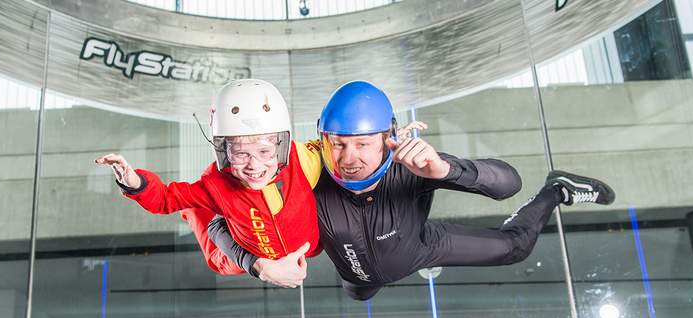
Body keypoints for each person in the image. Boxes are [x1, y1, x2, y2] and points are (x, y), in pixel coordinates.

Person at [217, 80, 615, 300]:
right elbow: (221, 222)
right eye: (337, 143)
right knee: (360, 291)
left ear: (389, 136)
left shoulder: (412, 165)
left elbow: (508, 183)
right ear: (322, 138)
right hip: (357, 273)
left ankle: (556, 192)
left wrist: (443, 168)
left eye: (364, 144)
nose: (349, 157)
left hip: (420, 247)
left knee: (516, 249)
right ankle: (366, 281)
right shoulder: (307, 173)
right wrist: (261, 266)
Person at [95, 79, 324, 288]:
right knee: (217, 258)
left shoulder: (303, 160)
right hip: (243, 245)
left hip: (306, 245)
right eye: (240, 154)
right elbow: (165, 198)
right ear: (224, 151)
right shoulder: (216, 183)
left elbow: (334, 151)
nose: (254, 166)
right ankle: (195, 210)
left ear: (282, 144)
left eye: (264, 151)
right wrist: (135, 182)